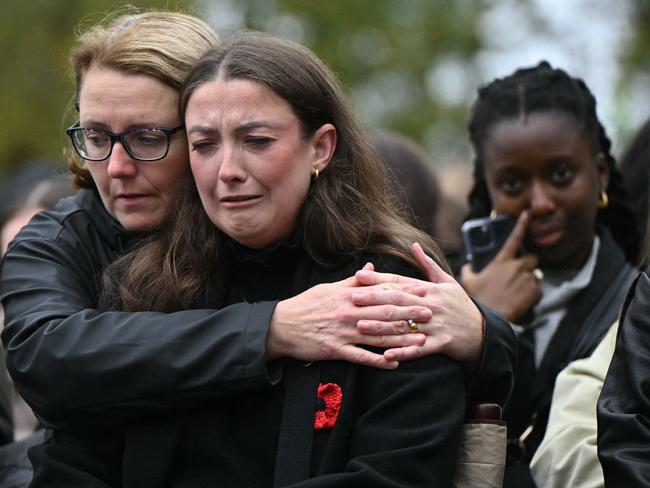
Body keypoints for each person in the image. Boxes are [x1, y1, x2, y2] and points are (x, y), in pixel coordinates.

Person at [0, 9, 514, 484]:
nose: (116, 166)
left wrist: (486, 335)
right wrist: (271, 330)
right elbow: (60, 389)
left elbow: (400, 467)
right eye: (95, 136)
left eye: (148, 136)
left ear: (321, 147)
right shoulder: (138, 272)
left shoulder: (385, 277)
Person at [459, 61, 639, 487]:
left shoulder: (637, 300)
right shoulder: (450, 293)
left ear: (599, 175)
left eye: (560, 174)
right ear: (489, 188)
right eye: (513, 183)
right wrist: (483, 324)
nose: (539, 202)